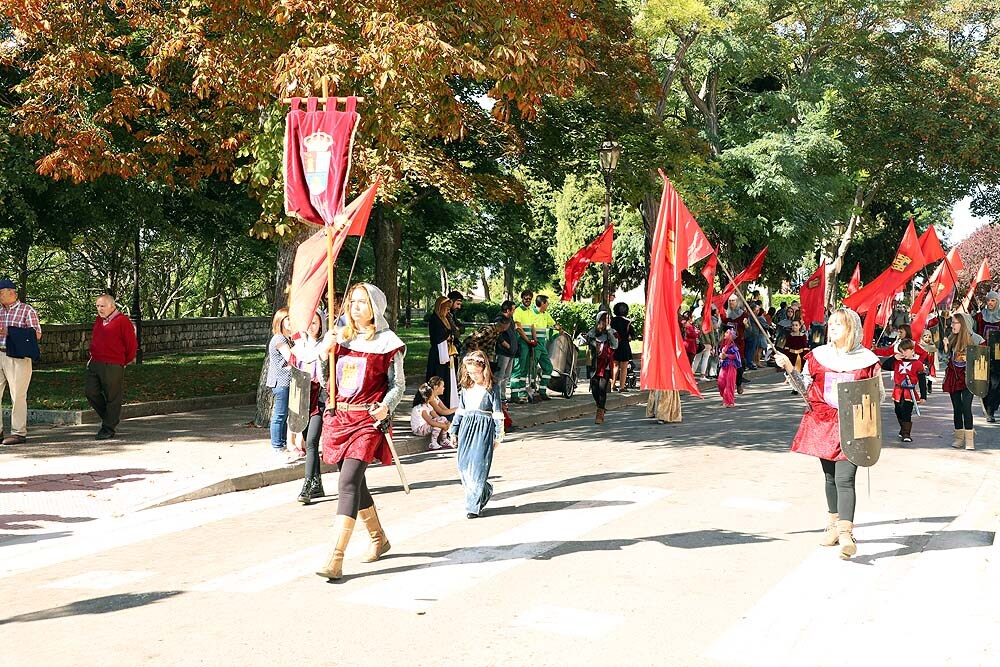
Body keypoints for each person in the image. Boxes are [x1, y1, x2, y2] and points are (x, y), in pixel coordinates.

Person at [774, 308, 882, 560]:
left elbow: (877, 397)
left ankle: (846, 533)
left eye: (839, 325)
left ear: (852, 329)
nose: (832, 328)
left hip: (853, 425)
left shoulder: (868, 361)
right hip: (823, 423)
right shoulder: (817, 356)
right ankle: (833, 526)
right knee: (830, 477)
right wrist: (790, 368)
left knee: (845, 479)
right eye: (831, 324)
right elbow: (804, 388)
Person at [317, 283, 406, 581]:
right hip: (339, 417)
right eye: (352, 302)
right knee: (357, 484)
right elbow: (327, 380)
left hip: (367, 421)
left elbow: (398, 385)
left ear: (375, 308)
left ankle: (335, 558)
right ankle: (378, 538)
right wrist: (323, 352)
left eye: (362, 303)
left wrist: (386, 406)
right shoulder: (341, 338)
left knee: (347, 482)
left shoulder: (388, 343)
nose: (354, 308)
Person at [449, 349, 504, 518]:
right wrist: (453, 431)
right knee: (464, 467)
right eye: (469, 372)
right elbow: (461, 410)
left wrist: (498, 435)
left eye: (475, 372)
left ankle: (472, 507)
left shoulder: (492, 388)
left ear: (483, 369)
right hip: (467, 427)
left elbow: (497, 413)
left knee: (478, 467)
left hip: (483, 428)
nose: (472, 375)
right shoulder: (466, 387)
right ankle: (484, 490)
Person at [84, 294, 138, 440]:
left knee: (113, 397)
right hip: (95, 362)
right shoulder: (98, 321)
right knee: (90, 392)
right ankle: (110, 418)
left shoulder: (122, 321)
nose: (99, 309)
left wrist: (123, 362)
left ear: (112, 306)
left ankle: (108, 428)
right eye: (97, 306)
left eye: (102, 306)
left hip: (113, 364)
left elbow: (131, 345)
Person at [290, 311, 330, 504]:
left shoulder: (326, 346)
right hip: (302, 399)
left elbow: (327, 377)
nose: (312, 326)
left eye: (316, 323)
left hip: (319, 398)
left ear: (321, 324)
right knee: (307, 441)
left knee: (313, 442)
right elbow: (295, 373)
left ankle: (307, 485)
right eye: (310, 323)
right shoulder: (298, 347)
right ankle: (317, 484)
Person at [0, 279, 42, 445]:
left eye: (1, 293)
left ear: (12, 292)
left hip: (18, 358)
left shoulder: (27, 310)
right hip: (0, 354)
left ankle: (18, 433)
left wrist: (10, 332)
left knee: (17, 395)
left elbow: (37, 334)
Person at [942, 313, 983, 451]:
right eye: (952, 322)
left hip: (968, 377)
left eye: (955, 323)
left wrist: (971, 360)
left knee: (966, 407)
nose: (952, 325)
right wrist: (946, 348)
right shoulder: (951, 338)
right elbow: (945, 359)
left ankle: (970, 438)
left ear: (963, 324)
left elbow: (984, 357)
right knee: (957, 408)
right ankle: (959, 437)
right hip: (954, 376)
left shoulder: (976, 339)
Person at [881, 338, 926, 443]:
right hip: (897, 391)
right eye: (901, 351)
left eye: (905, 351)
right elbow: (885, 366)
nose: (903, 353)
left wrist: (923, 396)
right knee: (898, 411)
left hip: (909, 392)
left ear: (912, 350)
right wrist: (893, 358)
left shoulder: (918, 363)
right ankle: (903, 429)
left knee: (906, 412)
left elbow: (922, 380)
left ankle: (906, 433)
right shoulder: (897, 362)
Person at [581, 311, 618, 424]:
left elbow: (615, 345)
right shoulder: (592, 332)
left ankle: (600, 413)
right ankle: (599, 404)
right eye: (606, 319)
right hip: (594, 364)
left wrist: (609, 331)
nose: (608, 321)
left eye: (609, 319)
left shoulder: (613, 332)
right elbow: (585, 343)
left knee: (602, 388)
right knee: (595, 388)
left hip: (605, 364)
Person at [265, 308, 293, 457]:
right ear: (280, 322)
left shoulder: (287, 338)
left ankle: (282, 444)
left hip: (285, 381)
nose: (291, 322)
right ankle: (277, 446)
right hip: (281, 382)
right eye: (288, 319)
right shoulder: (280, 339)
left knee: (283, 415)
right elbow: (291, 358)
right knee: (280, 415)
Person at [972, 291, 1000, 422]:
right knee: (984, 384)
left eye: (993, 300)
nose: (990, 303)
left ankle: (992, 408)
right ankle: (988, 410)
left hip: (998, 356)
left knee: (996, 384)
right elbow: (973, 334)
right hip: (983, 355)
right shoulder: (979, 317)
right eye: (988, 300)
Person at [425, 296, 457, 408]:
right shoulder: (434, 319)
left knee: (446, 377)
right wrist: (446, 336)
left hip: (447, 351)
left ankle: (446, 401)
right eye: (446, 309)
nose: (448, 311)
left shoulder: (446, 318)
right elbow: (436, 337)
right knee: (437, 375)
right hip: (437, 353)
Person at [410, 377, 454, 450]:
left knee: (442, 418)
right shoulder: (421, 408)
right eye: (432, 395)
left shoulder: (428, 406)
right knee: (438, 423)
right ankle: (433, 443)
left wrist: (446, 423)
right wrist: (442, 425)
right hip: (419, 429)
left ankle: (444, 440)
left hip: (425, 427)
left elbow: (437, 417)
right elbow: (430, 421)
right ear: (427, 397)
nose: (434, 397)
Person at [510, 289, 535, 403]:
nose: (528, 300)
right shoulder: (518, 311)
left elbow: (532, 326)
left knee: (525, 368)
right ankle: (514, 394)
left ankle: (522, 393)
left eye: (530, 299)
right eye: (526, 298)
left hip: (529, 341)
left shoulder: (531, 311)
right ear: (522, 299)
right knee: (518, 367)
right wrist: (527, 340)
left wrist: (534, 339)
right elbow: (518, 327)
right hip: (521, 341)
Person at [722, 294, 749, 395]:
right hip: (728, 343)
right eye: (729, 301)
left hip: (739, 343)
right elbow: (722, 328)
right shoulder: (725, 315)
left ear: (737, 302)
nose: (731, 302)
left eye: (733, 300)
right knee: (727, 364)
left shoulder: (743, 314)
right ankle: (728, 385)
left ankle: (739, 382)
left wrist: (746, 324)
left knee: (740, 364)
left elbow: (748, 328)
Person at [493, 301, 518, 402]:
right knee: (500, 374)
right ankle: (498, 395)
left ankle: (502, 396)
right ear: (507, 310)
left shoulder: (510, 319)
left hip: (510, 351)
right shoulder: (499, 319)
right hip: (504, 351)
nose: (514, 311)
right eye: (513, 309)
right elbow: (498, 334)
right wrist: (506, 345)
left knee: (506, 375)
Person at [779, 320, 809, 396]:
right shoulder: (790, 335)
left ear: (799, 326)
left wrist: (805, 356)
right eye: (793, 325)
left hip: (800, 356)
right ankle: (794, 387)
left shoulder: (803, 336)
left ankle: (799, 387)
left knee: (799, 372)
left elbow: (805, 347)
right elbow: (787, 346)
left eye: (796, 325)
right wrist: (786, 355)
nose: (794, 327)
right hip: (791, 356)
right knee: (791, 372)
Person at [610, 302, 634, 391]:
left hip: (614, 345)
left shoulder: (612, 321)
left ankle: (613, 384)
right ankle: (622, 386)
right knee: (624, 367)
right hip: (624, 345)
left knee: (615, 365)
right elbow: (632, 334)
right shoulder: (627, 322)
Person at [693, 304, 720, 381]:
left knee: (697, 359)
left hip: (700, 342)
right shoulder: (709, 322)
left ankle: (692, 374)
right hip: (708, 343)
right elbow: (711, 334)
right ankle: (702, 375)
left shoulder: (697, 320)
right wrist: (713, 344)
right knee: (705, 359)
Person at [717, 328, 741, 407]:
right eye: (725, 332)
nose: (725, 334)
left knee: (729, 384)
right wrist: (721, 356)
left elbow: (736, 356)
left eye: (727, 333)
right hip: (724, 366)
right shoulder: (722, 345)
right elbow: (720, 354)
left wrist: (727, 355)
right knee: (721, 383)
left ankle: (729, 401)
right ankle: (725, 398)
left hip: (731, 366)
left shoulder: (733, 346)